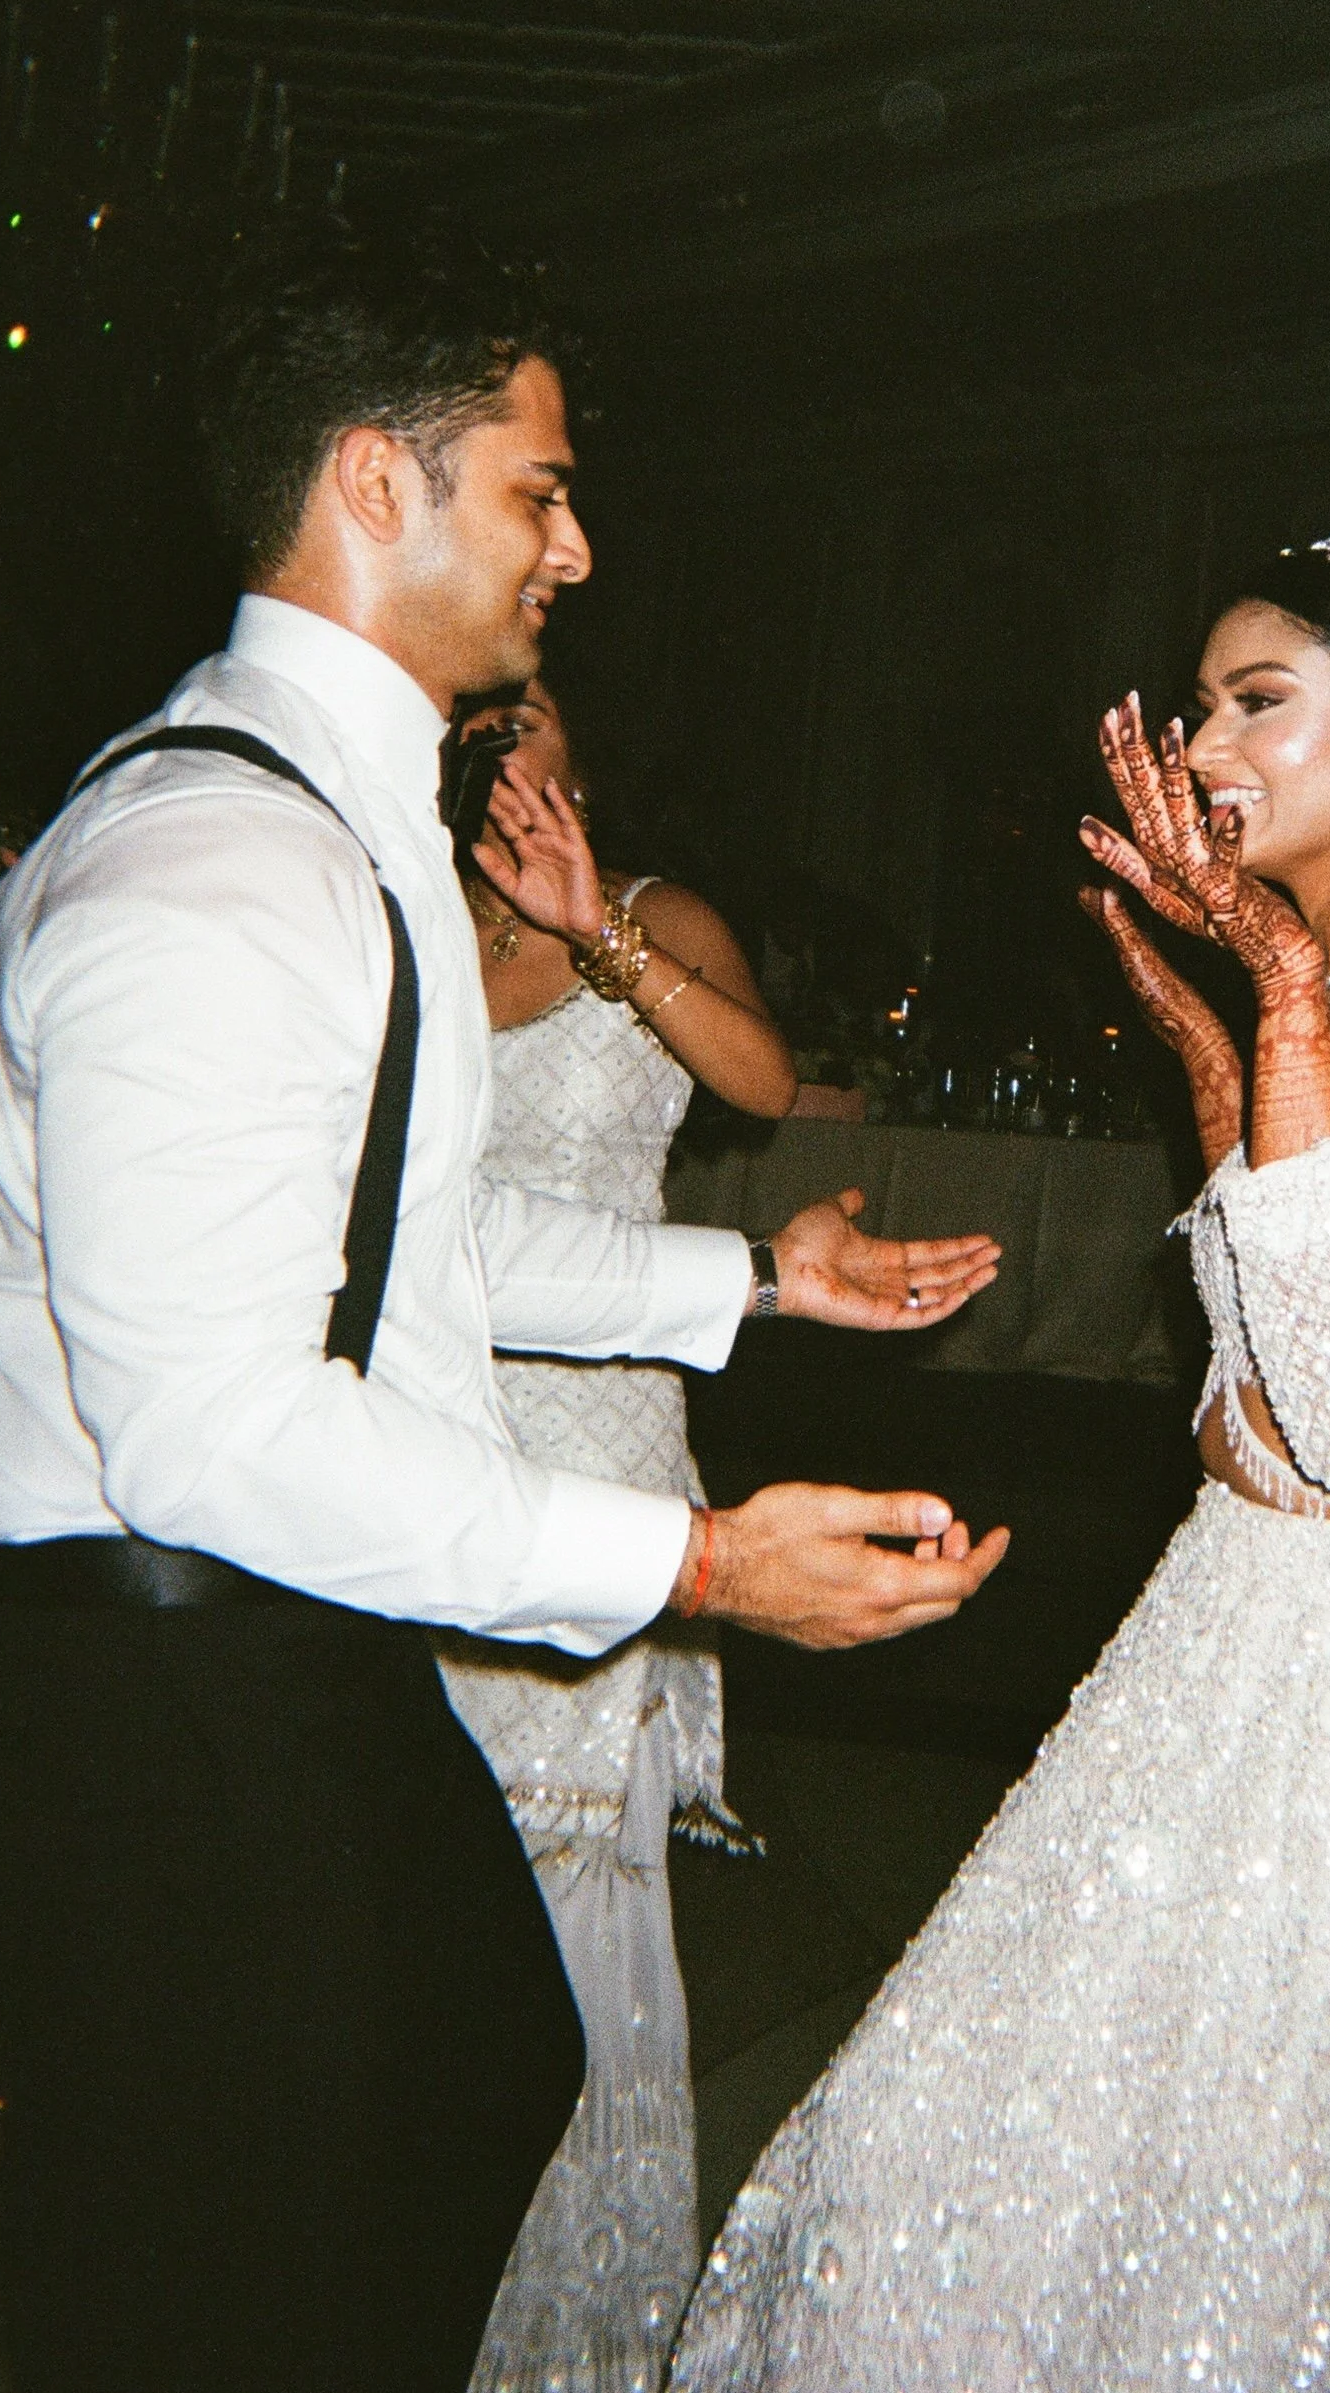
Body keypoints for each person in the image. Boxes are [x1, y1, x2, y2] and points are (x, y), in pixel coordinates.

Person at [0, 211, 1007, 2393]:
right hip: (164, 1664)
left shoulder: (332, 825)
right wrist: (701, 1559)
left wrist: (750, 1273)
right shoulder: (211, 870)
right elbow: (215, 1421)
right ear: (373, 478)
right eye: (537, 485)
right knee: (238, 2254)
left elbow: (400, 1241)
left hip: (261, 1630)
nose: (580, 547)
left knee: (460, 2080)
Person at [670, 534, 1330, 2393]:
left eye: (1259, 698)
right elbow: (1246, 1389)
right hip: (1254, 1615)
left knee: (1276, 2227)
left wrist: (1268, 984)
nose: (1202, 741)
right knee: (1023, 2169)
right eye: (1195, 703)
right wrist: (1225, 1027)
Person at [439, 675, 796, 2388]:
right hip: (433, 1442)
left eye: (541, 743)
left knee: (581, 1893)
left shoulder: (653, 909)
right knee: (436, 1883)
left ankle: (576, 2332)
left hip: (608, 1427)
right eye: (480, 747)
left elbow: (762, 1074)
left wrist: (599, 937)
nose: (514, 772)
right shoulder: (408, 920)